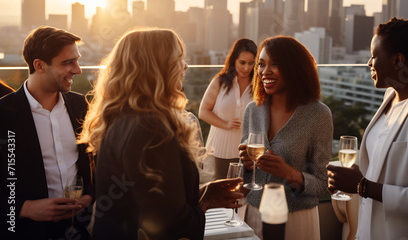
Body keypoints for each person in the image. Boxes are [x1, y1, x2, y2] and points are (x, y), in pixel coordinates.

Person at [78, 28, 243, 240]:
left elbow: (148, 202)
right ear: (156, 67)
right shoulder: (152, 129)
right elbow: (171, 225)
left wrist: (203, 194)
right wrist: (205, 203)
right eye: (178, 59)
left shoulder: (118, 118)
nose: (185, 66)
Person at [327, 18, 408, 239]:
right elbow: (380, 163)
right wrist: (348, 177)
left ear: (398, 61)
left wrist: (362, 186)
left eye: (374, 56)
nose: (369, 63)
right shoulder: (391, 96)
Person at [0, 26, 93, 239]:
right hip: (23, 231)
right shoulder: (3, 114)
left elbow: (91, 162)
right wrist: (25, 208)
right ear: (39, 65)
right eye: (68, 62)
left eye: (77, 60)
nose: (78, 70)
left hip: (77, 229)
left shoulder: (81, 105)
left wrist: (89, 195)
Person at [238, 35, 333, 240]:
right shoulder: (252, 110)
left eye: (275, 64)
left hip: (296, 219)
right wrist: (246, 166)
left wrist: (289, 173)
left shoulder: (318, 114)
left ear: (295, 68)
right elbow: (245, 179)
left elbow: (322, 183)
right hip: (253, 213)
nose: (265, 71)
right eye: (261, 64)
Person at [199, 38, 257, 179]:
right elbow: (203, 112)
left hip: (250, 151)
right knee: (222, 192)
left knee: (247, 193)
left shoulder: (258, 85)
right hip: (222, 147)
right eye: (242, 62)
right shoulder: (220, 81)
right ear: (233, 60)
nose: (246, 68)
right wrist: (226, 124)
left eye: (251, 63)